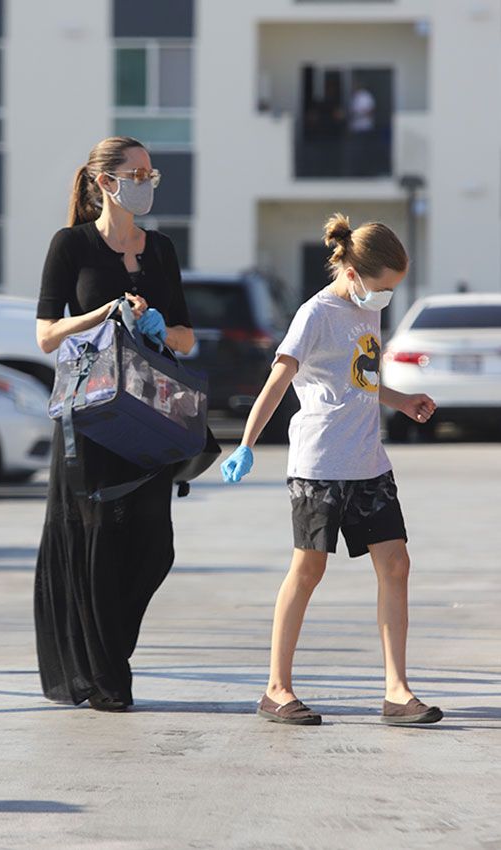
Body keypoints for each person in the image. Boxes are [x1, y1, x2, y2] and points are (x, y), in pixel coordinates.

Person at [221, 213, 443, 727]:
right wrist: (246, 443)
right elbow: (279, 379)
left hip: (368, 460)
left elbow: (358, 380)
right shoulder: (315, 313)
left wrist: (400, 400)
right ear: (354, 272)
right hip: (320, 463)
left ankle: (397, 691)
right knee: (309, 569)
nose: (387, 297)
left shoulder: (368, 310)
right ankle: (276, 689)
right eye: (384, 287)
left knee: (396, 565)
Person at [34, 136, 195, 712]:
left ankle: (107, 654)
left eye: (152, 173)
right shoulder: (71, 245)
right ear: (106, 182)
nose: (147, 181)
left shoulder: (162, 249)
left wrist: (154, 326)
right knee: (98, 538)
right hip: (92, 414)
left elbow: (187, 336)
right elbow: (46, 333)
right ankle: (106, 674)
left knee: (154, 545)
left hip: (149, 415)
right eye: (138, 172)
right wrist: (103, 313)